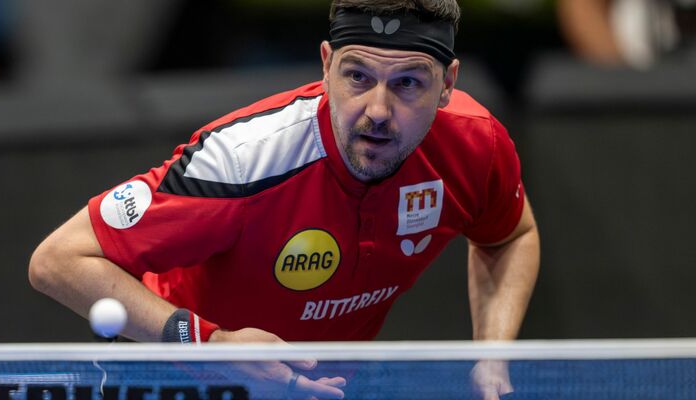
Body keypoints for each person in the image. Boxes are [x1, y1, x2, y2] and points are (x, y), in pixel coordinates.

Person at [29, 0, 540, 398]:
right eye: (357, 76)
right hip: (179, 382)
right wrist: (210, 345)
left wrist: (492, 353)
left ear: (448, 84)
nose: (378, 110)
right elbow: (58, 261)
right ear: (326, 65)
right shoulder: (241, 162)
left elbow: (511, 234)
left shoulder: (475, 146)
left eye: (408, 83)